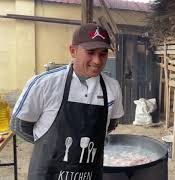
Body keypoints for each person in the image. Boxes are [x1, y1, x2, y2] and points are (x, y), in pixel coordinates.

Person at [10, 23, 124, 180]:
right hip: (48, 174)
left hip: (90, 174)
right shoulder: (44, 83)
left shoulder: (112, 87)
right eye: (90, 52)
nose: (97, 61)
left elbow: (111, 124)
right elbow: (19, 125)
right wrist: (49, 146)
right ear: (73, 51)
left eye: (103, 54)